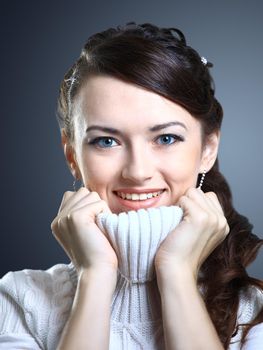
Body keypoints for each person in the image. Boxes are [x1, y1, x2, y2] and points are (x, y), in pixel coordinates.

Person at [0, 22, 262, 350]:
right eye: (107, 141)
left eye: (166, 138)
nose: (137, 172)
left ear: (207, 150)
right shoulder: (19, 301)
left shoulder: (253, 312)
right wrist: (94, 276)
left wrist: (177, 273)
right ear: (72, 155)